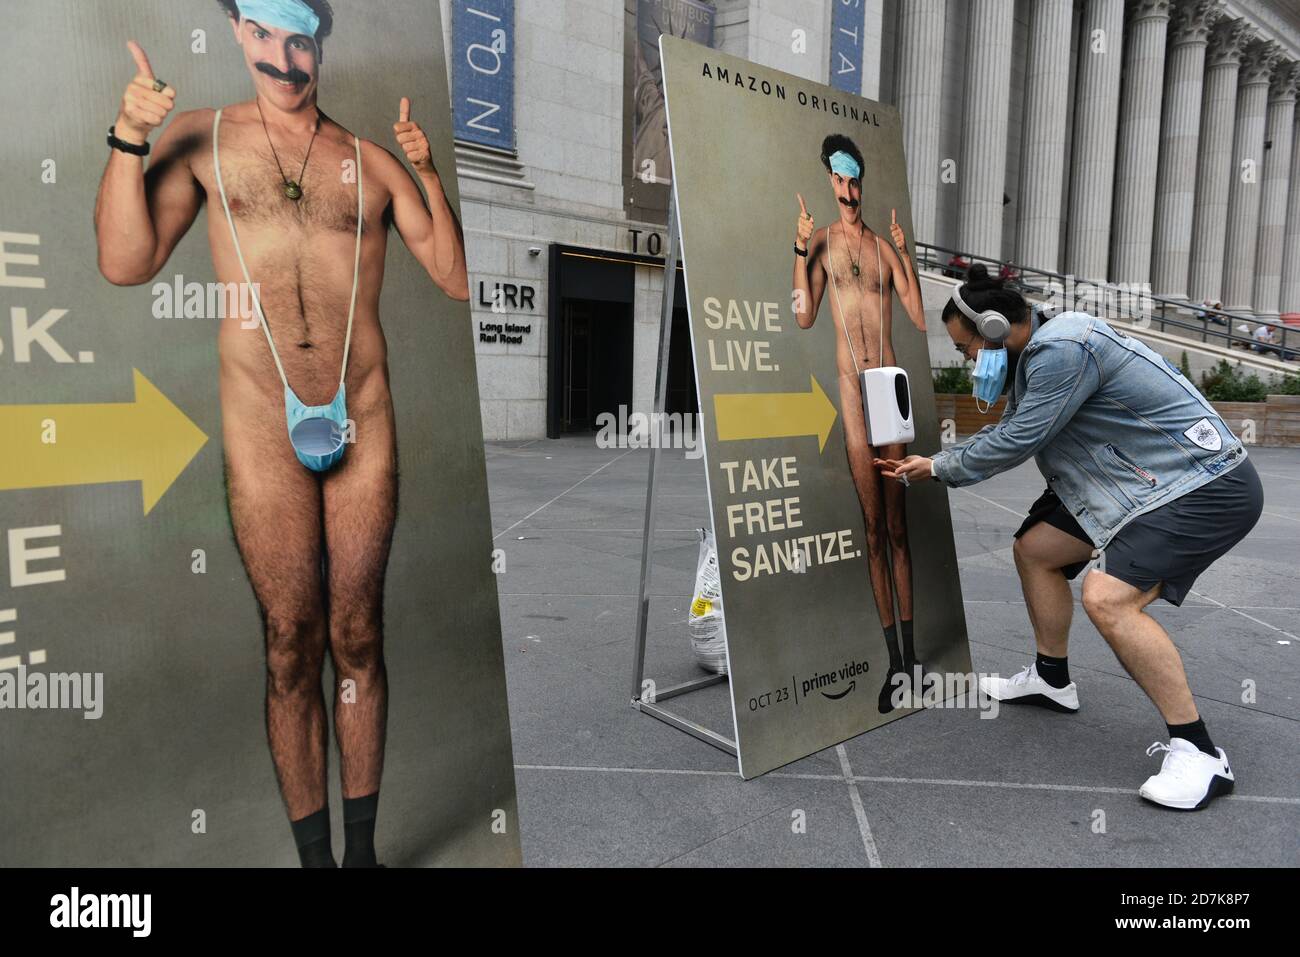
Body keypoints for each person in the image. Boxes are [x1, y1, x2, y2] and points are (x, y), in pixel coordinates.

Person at [94, 0, 469, 865]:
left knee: (358, 635)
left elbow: (452, 279)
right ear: (236, 31)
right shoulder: (202, 140)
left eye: (299, 38)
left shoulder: (368, 163)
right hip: (263, 426)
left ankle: (363, 858)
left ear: (319, 42)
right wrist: (126, 136)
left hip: (361, 418)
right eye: (262, 34)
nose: (283, 58)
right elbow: (125, 261)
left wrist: (428, 172)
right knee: (290, 646)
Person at [874, 272, 1262, 811]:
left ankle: (1199, 752)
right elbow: (1010, 426)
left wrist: (939, 466)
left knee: (1110, 599)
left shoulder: (1062, 349)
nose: (967, 361)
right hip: (1133, 481)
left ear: (994, 328)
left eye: (966, 349)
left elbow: (1020, 438)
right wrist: (942, 461)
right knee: (1036, 550)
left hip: (1200, 483)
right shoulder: (1037, 352)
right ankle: (1051, 678)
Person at [792, 134, 928, 713]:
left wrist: (907, 254)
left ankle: (914, 664)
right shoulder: (820, 242)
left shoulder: (883, 249)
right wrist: (799, 251)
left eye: (855, 181)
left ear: (862, 182)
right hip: (851, 390)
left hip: (889, 384)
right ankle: (894, 666)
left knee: (899, 526)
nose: (848, 191)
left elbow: (920, 318)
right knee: (872, 527)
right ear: (830, 181)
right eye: (839, 181)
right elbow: (802, 317)